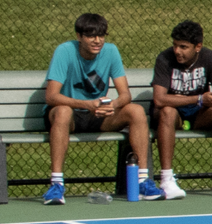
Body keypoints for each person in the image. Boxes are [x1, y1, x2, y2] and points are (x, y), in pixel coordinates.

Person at [42, 11, 156, 204]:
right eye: (91, 36)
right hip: (69, 117)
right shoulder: (64, 51)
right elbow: (51, 96)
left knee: (136, 111)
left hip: (99, 116)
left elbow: (125, 95)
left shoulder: (111, 52)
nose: (97, 41)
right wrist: (86, 104)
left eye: (101, 35)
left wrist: (112, 105)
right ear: (79, 37)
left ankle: (143, 181)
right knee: (62, 111)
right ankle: (56, 186)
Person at [150, 20, 212, 200]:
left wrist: (211, 100)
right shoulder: (164, 58)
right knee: (167, 111)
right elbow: (159, 99)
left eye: (183, 47)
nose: (177, 51)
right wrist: (199, 98)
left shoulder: (210, 58)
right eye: (175, 45)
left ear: (198, 47)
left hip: (199, 114)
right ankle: (166, 180)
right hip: (174, 115)